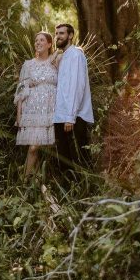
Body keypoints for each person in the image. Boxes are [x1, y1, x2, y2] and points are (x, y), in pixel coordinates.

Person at [14, 31, 57, 176]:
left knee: (44, 152)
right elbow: (20, 91)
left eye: (42, 40)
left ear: (49, 44)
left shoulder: (55, 62)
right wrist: (18, 116)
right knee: (33, 148)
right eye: (36, 40)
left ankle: (38, 185)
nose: (38, 43)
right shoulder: (28, 65)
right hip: (32, 112)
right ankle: (25, 184)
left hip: (50, 111)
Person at [52, 23, 93, 171]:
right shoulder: (63, 56)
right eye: (56, 33)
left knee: (79, 157)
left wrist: (70, 117)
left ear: (70, 36)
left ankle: (87, 189)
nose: (58, 36)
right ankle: (68, 190)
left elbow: (77, 86)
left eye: (61, 33)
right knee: (64, 157)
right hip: (61, 114)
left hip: (74, 116)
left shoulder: (76, 54)